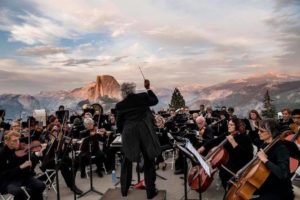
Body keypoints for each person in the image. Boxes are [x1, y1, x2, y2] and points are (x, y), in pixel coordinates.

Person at [116, 79, 161, 199]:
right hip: (145, 133)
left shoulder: (120, 105)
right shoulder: (142, 97)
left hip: (129, 135)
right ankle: (150, 192)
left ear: (123, 93)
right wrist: (148, 88)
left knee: (126, 162)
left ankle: (124, 190)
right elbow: (155, 101)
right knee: (148, 161)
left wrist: (124, 134)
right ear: (133, 89)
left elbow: (119, 124)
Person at [198, 118, 253, 190]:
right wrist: (203, 147)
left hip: (238, 163)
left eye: (231, 125)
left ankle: (230, 191)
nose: (228, 126)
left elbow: (248, 156)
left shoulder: (245, 138)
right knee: (221, 170)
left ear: (238, 126)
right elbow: (215, 141)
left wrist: (233, 143)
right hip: (227, 160)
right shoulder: (228, 134)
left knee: (224, 172)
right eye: (228, 124)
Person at [255, 119, 294, 199]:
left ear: (271, 132)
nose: (258, 133)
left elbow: (283, 174)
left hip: (280, 191)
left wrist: (265, 160)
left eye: (261, 131)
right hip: (266, 185)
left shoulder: (281, 148)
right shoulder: (264, 145)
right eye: (258, 130)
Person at [0, 131, 46, 200]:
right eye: (14, 140)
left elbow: (30, 168)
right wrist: (20, 167)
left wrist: (37, 155)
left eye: (18, 140)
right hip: (8, 181)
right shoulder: (2, 154)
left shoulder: (22, 150)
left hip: (23, 177)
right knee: (18, 192)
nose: (18, 142)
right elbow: (3, 173)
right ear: (7, 142)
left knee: (40, 185)